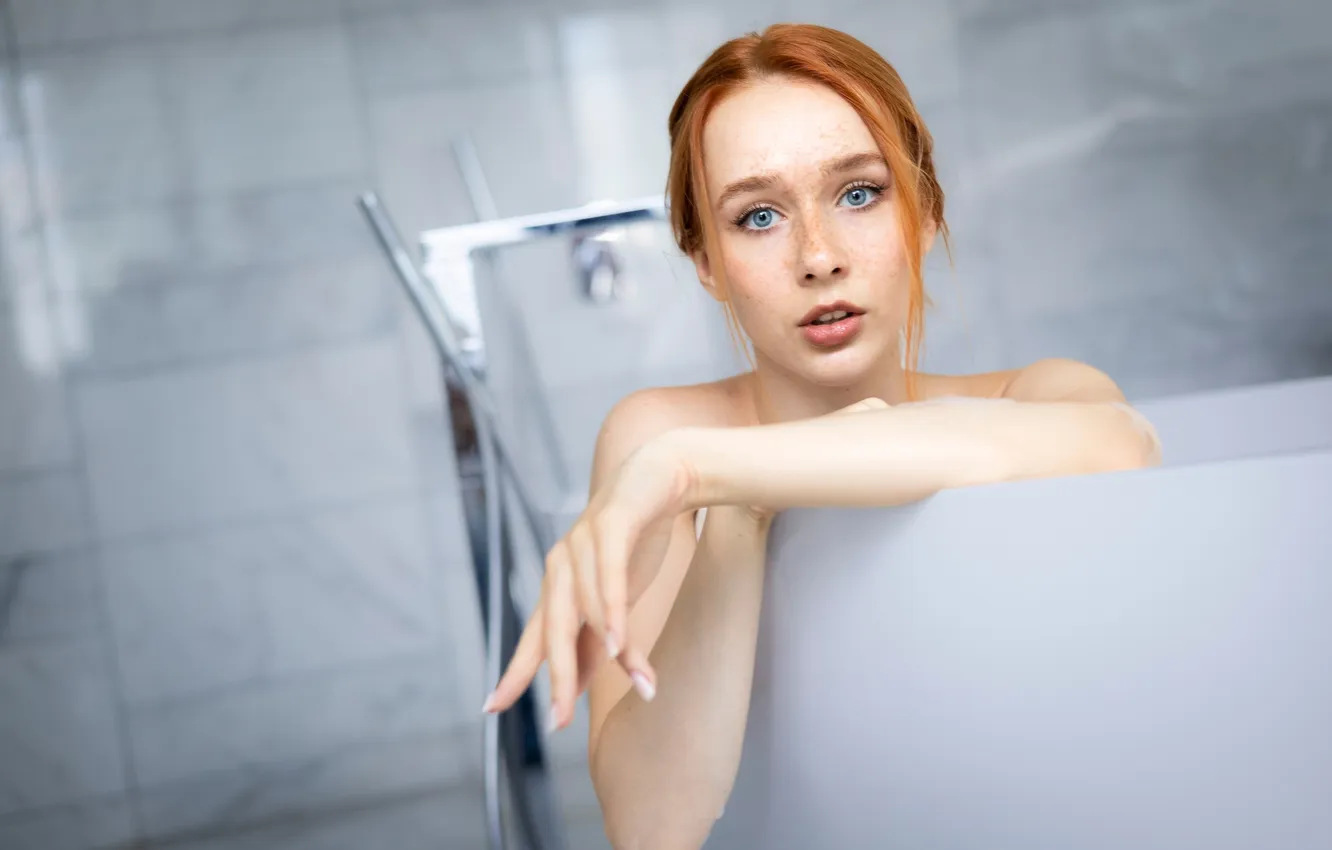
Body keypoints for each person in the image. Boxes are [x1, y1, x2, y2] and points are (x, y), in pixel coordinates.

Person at [483, 22, 1163, 849]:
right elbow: (650, 831)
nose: (818, 256)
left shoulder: (1035, 394)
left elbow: (1125, 447)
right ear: (705, 261)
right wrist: (738, 509)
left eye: (859, 193)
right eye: (759, 215)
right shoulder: (659, 434)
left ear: (924, 211)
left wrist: (707, 471)